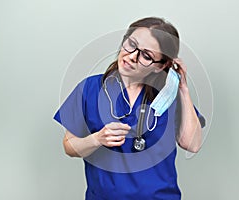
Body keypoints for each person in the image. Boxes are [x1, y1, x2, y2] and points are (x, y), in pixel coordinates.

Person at [54, 16, 205, 200]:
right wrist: (97, 139)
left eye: (146, 56)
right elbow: (69, 146)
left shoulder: (168, 97)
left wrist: (183, 89)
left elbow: (192, 144)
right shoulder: (90, 89)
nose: (132, 56)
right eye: (131, 44)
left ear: (161, 66)